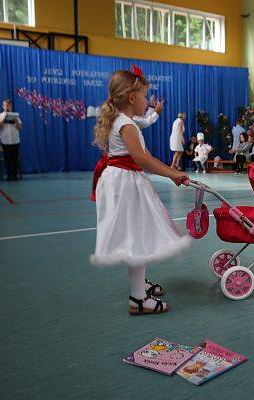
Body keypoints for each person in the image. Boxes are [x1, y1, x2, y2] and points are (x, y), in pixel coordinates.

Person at [91, 68, 190, 315]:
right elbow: (143, 159)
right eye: (145, 96)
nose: (148, 101)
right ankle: (137, 299)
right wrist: (173, 173)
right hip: (125, 184)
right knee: (138, 237)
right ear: (132, 98)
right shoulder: (127, 125)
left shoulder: (123, 121)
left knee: (137, 234)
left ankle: (139, 283)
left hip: (118, 182)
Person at [0, 99, 22, 181]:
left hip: (15, 140)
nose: (7, 107)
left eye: (9, 105)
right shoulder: (0, 115)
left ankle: (15, 175)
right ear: (3, 106)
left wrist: (16, 120)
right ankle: (9, 175)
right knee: (7, 159)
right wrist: (4, 117)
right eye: (6, 105)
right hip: (5, 141)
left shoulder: (16, 115)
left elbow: (20, 128)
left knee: (14, 159)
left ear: (11, 106)